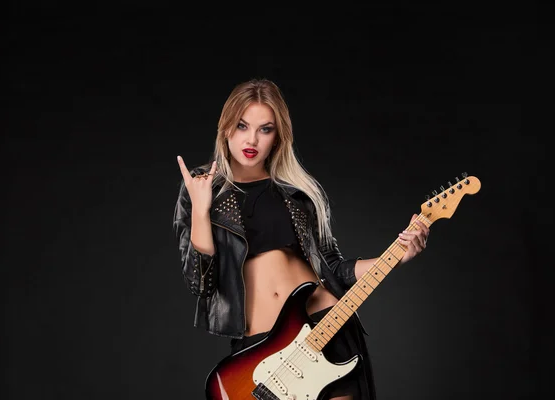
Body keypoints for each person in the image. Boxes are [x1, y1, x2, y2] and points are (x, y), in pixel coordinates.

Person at [173, 78, 430, 400]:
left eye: (265, 129)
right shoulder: (201, 188)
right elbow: (200, 284)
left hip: (326, 325)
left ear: (278, 136)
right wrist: (200, 212)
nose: (252, 138)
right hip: (262, 347)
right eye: (242, 125)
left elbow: (334, 268)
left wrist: (396, 257)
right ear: (226, 128)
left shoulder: (299, 192)